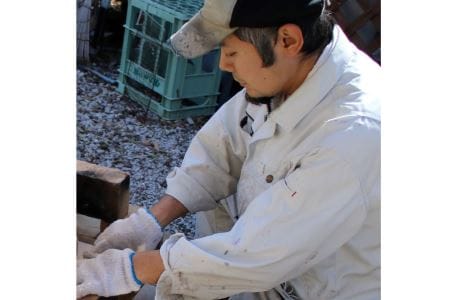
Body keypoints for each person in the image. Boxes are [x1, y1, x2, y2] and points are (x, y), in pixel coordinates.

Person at [77, 0, 380, 299]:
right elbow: (222, 146)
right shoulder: (293, 72)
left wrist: (127, 268)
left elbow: (259, 255)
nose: (223, 64)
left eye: (231, 50)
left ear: (288, 39)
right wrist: (151, 220)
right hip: (263, 274)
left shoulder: (351, 136)